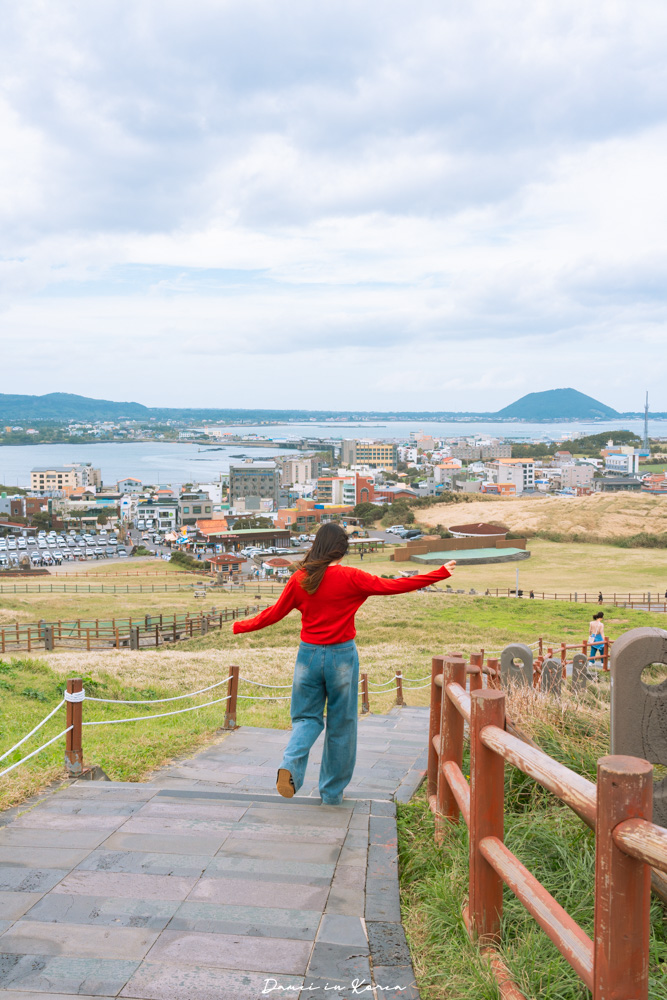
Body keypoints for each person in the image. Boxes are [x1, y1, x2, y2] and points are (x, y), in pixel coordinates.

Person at [232, 522, 456, 805]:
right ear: (343, 549)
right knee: (342, 725)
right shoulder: (352, 577)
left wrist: (240, 626)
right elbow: (396, 585)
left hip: (308, 656)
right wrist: (440, 573)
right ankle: (332, 794)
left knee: (305, 718)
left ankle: (291, 762)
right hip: (341, 657)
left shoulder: (301, 578)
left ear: (317, 545)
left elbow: (274, 614)